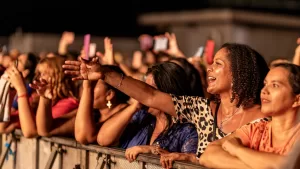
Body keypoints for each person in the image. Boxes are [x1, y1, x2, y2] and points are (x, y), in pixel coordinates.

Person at [63, 43, 270, 159]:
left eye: (217, 64)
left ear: (238, 73)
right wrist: (104, 74)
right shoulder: (202, 110)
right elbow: (150, 95)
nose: (209, 69)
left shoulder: (264, 119)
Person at [200, 63, 300, 169]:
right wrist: (257, 165)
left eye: (275, 85)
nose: (264, 91)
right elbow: (208, 155)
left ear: (297, 100)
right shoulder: (256, 130)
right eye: (265, 84)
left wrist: (238, 150)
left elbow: (288, 165)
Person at [97, 62, 198, 167]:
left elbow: (190, 163)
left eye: (150, 90)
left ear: (167, 93)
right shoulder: (143, 116)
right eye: (143, 89)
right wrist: (134, 107)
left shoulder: (187, 130)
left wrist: (152, 150)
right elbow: (103, 139)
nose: (144, 95)